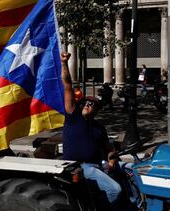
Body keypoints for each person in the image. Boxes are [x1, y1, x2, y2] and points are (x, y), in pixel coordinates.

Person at [60, 51, 121, 205]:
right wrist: (64, 63)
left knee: (129, 171)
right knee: (115, 189)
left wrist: (112, 158)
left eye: (91, 104)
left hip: (97, 166)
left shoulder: (99, 128)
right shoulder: (73, 117)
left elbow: (108, 148)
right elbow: (68, 86)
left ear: (97, 110)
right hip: (78, 167)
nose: (87, 105)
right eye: (85, 103)